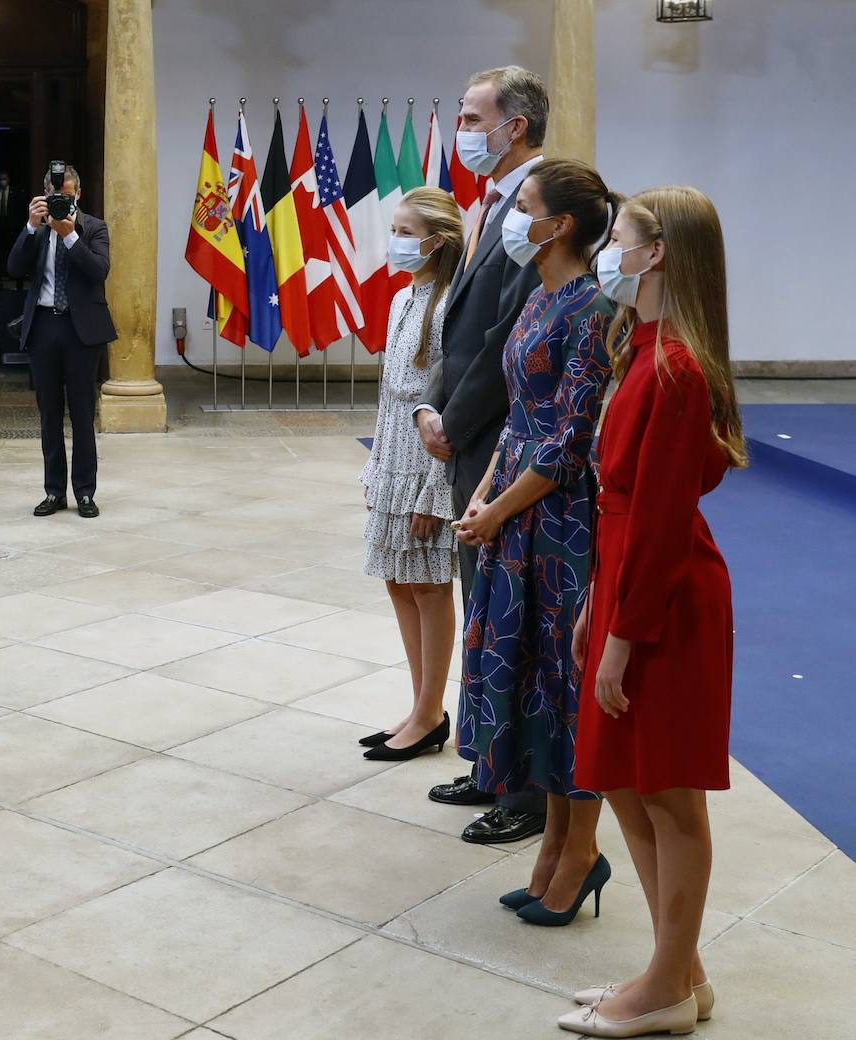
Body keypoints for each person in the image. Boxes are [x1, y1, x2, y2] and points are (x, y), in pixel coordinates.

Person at [560, 187, 744, 1038]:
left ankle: (666, 986)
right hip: (627, 577)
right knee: (626, 781)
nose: (609, 251)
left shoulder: (674, 369)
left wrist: (623, 637)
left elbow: (664, 519)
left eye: (620, 237)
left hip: (665, 599)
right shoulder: (644, 347)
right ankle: (681, 971)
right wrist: (599, 602)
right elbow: (624, 504)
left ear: (657, 252)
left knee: (668, 794)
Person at [452, 159, 618, 926]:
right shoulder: (539, 296)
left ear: (560, 227)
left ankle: (579, 849)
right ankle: (553, 844)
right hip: (513, 503)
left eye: (525, 207)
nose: (514, 218)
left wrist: (498, 510)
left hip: (557, 521)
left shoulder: (590, 308)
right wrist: (484, 490)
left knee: (561, 683)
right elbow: (520, 415)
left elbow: (568, 444)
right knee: (526, 680)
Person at [415, 65, 550, 844]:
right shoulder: (495, 202)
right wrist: (434, 402)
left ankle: (528, 790)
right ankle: (491, 761)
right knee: (480, 611)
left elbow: (507, 337)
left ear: (515, 126)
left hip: (499, 441)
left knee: (510, 620)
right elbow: (461, 325)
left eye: (470, 116)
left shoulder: (536, 208)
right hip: (468, 433)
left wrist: (456, 420)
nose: (462, 128)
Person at [357, 187, 464, 762]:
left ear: (437, 240)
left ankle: (430, 713)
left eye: (404, 232)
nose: (394, 242)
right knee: (398, 581)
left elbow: (441, 401)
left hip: (428, 464)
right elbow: (388, 396)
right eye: (394, 230)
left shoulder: (451, 303)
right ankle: (420, 703)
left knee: (428, 584)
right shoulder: (402, 299)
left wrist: (433, 489)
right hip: (393, 455)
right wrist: (375, 467)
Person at [8, 163, 117, 518]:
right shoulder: (37, 231)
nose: (62, 203)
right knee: (49, 414)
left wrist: (70, 235)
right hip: (44, 328)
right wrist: (30, 225)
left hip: (81, 331)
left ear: (78, 194)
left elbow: (99, 270)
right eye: (56, 197)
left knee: (83, 413)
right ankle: (54, 491)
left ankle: (85, 491)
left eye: (68, 197)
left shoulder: (94, 227)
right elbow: (13, 267)